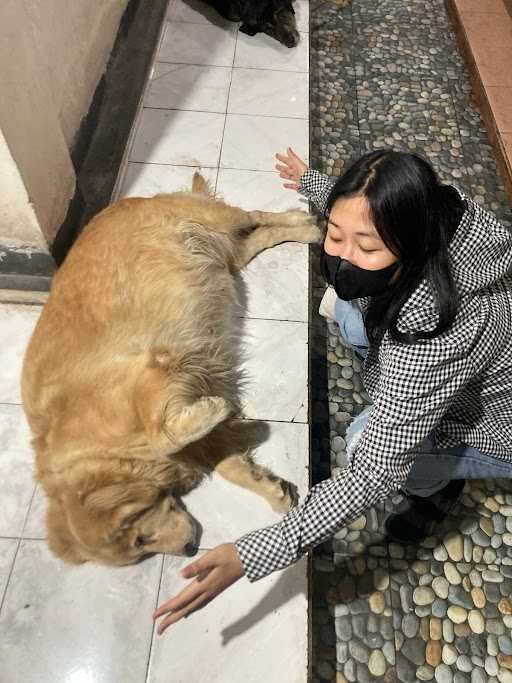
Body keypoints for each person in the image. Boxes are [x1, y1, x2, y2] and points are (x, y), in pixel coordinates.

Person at [153, 147, 512, 634]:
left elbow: (374, 472)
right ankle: (404, 407)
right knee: (348, 308)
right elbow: (362, 208)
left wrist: (257, 550)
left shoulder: (436, 333)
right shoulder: (442, 211)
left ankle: (436, 492)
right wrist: (312, 182)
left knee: (368, 438)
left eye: (367, 249)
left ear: (414, 244)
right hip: (446, 370)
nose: (342, 255)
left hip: (494, 422)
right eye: (336, 237)